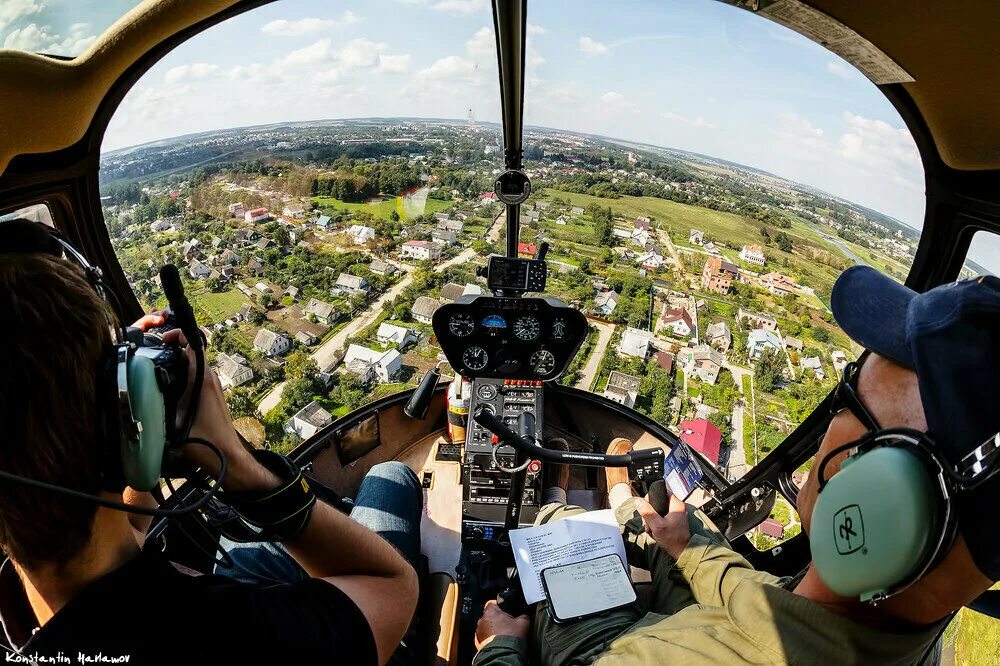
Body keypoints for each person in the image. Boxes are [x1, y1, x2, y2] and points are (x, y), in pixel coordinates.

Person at [474, 265, 999, 665]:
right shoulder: (888, 626)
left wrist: (498, 647)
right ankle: (627, 511)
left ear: (868, 489)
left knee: (557, 529)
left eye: (847, 403)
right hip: (708, 619)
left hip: (618, 645)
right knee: (680, 532)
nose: (833, 422)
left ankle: (591, 507)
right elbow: (765, 608)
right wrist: (688, 547)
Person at [0, 226, 420, 665]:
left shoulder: (33, 589)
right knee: (389, 477)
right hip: (373, 618)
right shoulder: (234, 639)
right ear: (117, 415)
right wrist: (238, 464)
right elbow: (392, 585)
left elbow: (130, 535)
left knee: (242, 552)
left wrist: (133, 417)